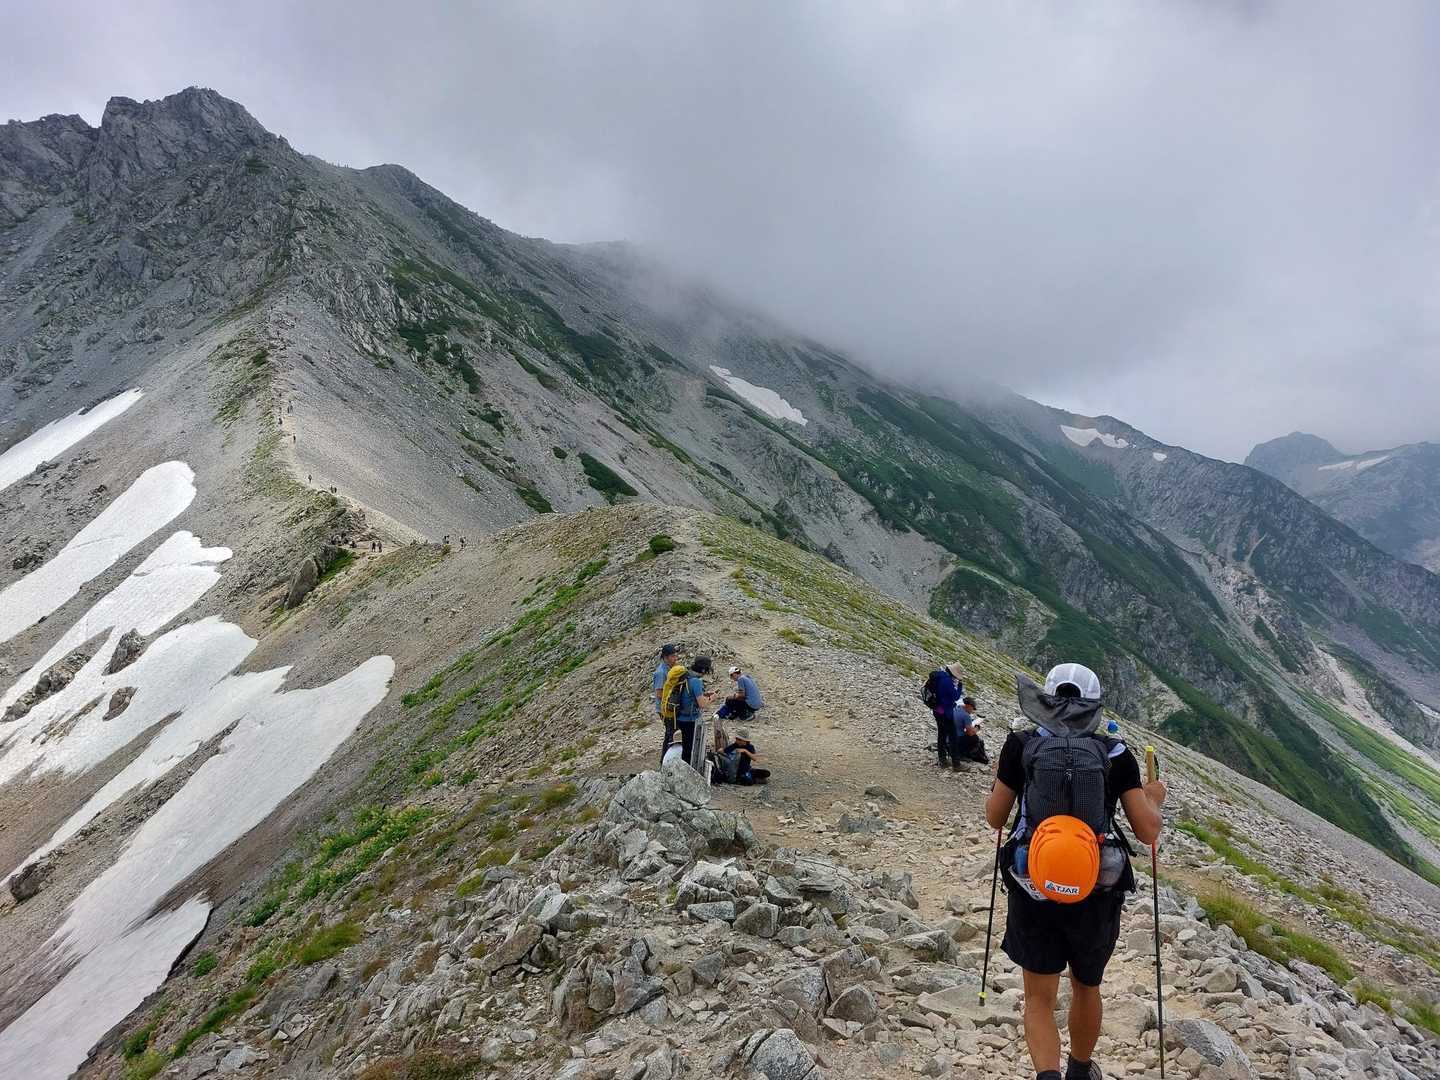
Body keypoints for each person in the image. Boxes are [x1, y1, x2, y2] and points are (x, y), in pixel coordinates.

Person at [984, 663, 1166, 1080]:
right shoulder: (1114, 752)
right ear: (1094, 704)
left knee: (1039, 999)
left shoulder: (1021, 745)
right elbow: (1147, 830)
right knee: (1086, 986)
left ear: (1046, 698)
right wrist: (1153, 796)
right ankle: (1081, 1072)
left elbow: (995, 817)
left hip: (1033, 883)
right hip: (1096, 888)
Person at [674, 654, 715, 766]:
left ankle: (684, 767)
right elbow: (702, 704)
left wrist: (703, 695)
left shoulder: (687, 677)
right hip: (690, 720)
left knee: (686, 746)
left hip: (680, 717)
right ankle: (687, 770)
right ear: (703, 669)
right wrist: (712, 698)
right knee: (691, 748)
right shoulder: (696, 681)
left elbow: (689, 695)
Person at [926, 664, 964, 769]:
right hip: (945, 712)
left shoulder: (939, 676)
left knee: (941, 734)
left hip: (937, 709)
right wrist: (960, 686)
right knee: (953, 736)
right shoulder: (947, 681)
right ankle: (956, 764)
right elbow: (956, 696)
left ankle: (942, 760)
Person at [653, 643, 681, 764]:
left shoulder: (671, 669)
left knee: (671, 732)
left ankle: (665, 760)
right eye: (673, 656)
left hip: (671, 707)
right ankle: (667, 761)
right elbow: (659, 693)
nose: (675, 658)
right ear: (666, 657)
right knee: (671, 733)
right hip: (665, 709)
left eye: (675, 655)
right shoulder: (661, 672)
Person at [956, 696, 989, 765]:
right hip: (957, 738)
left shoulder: (956, 708)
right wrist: (977, 728)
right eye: (972, 708)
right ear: (968, 706)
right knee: (974, 738)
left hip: (949, 735)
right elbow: (970, 733)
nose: (972, 711)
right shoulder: (966, 716)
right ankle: (962, 755)